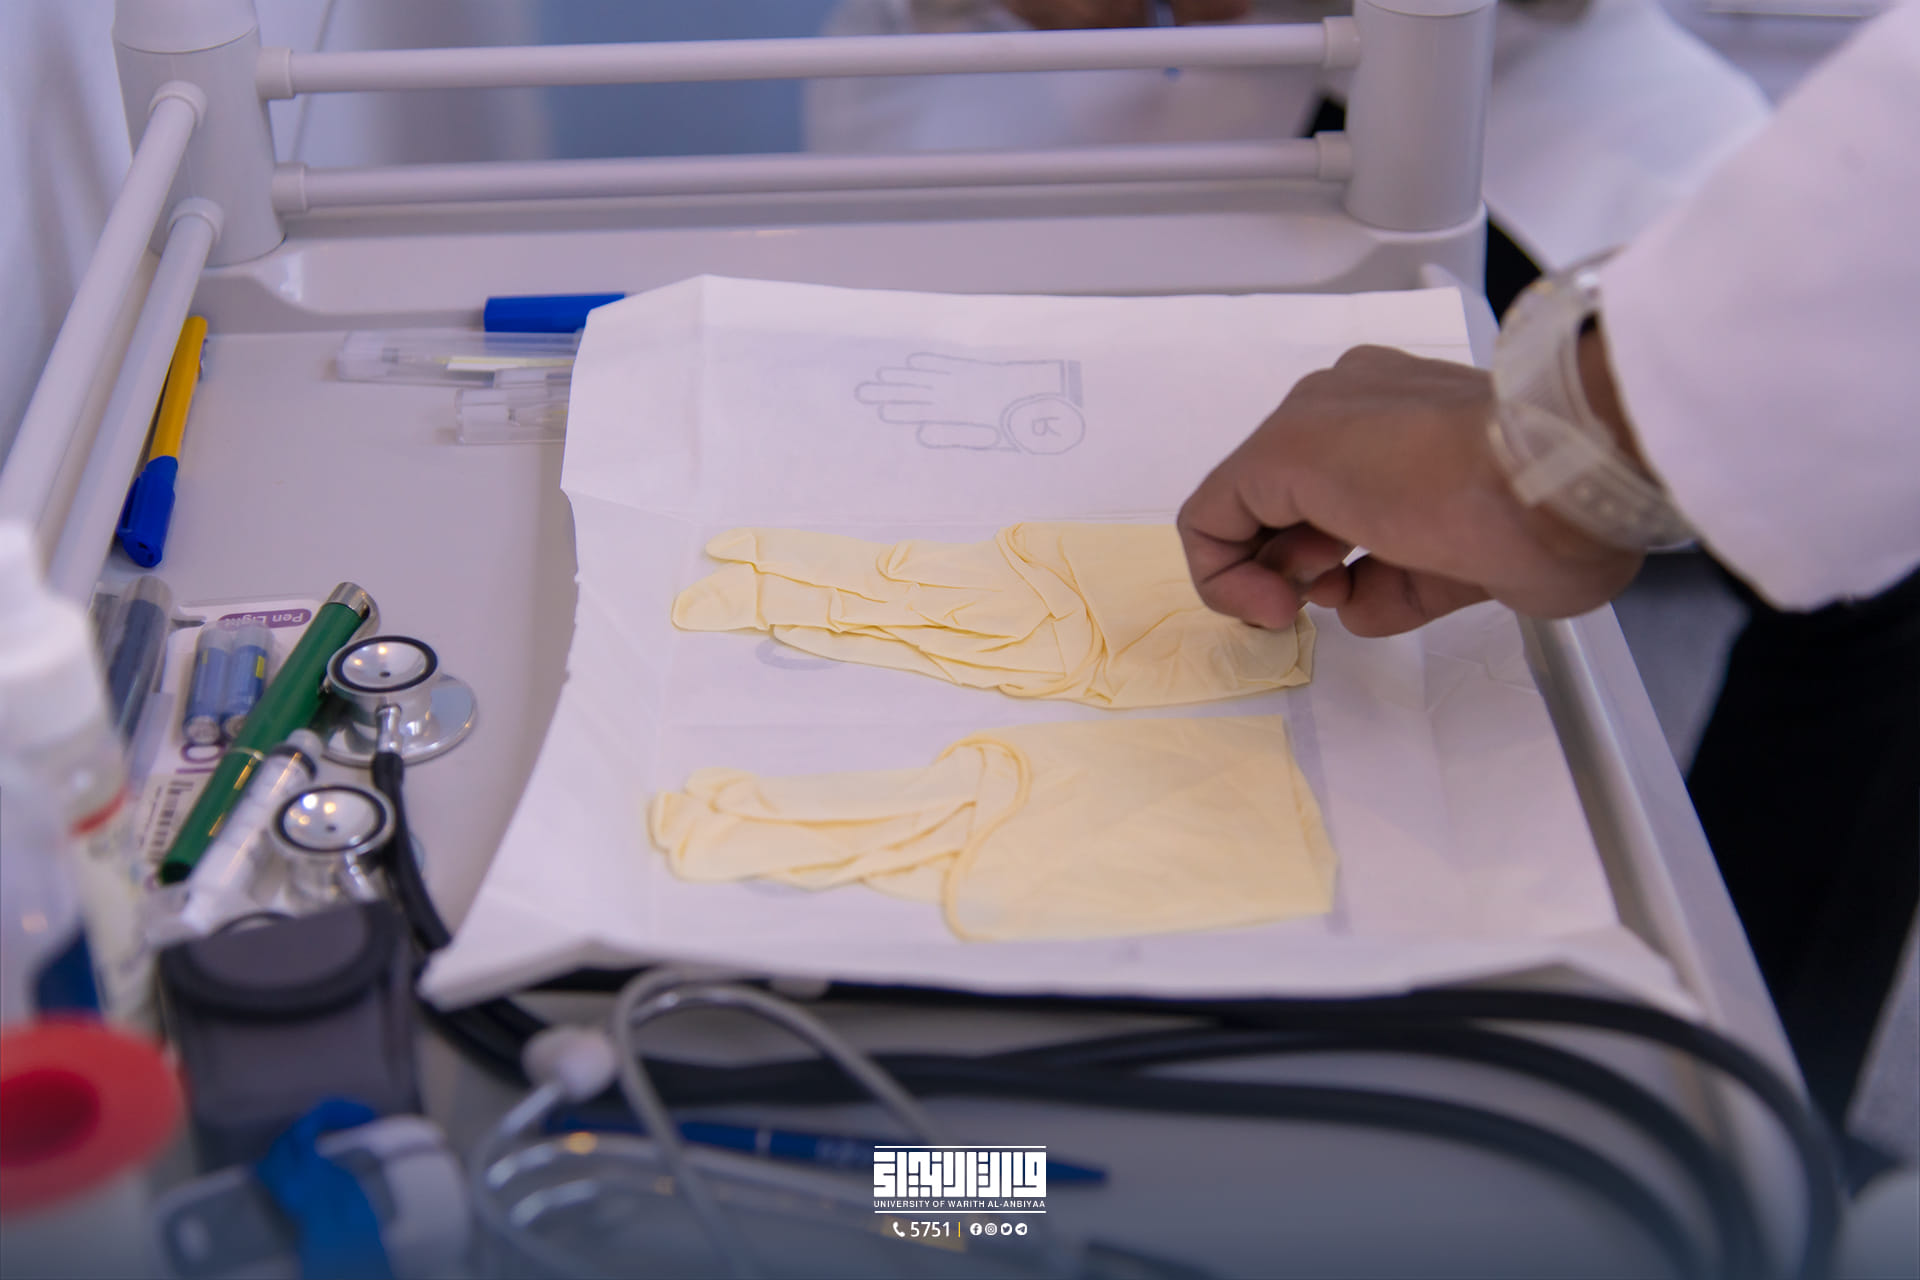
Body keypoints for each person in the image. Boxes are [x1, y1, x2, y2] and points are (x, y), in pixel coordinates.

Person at [1175, 0, 1920, 1149]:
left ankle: (1742, 1112)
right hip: (1076, 79)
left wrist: (1555, 453)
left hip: (1505, 58)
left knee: (1890, 580)